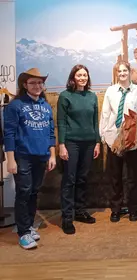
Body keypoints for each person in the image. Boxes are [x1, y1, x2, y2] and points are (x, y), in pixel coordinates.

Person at [4, 68, 56, 249]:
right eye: (33, 83)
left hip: (41, 156)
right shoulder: (15, 105)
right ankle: (23, 232)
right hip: (23, 156)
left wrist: (52, 154)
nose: (37, 86)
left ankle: (28, 225)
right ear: (25, 84)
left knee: (33, 192)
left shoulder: (45, 105)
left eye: (40, 82)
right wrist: (10, 159)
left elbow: (50, 133)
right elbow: (8, 134)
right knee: (24, 191)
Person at [99, 61, 137, 223]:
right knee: (115, 176)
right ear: (116, 73)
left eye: (125, 70)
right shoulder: (111, 91)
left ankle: (133, 209)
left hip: (132, 139)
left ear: (129, 72)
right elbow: (106, 114)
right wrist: (103, 135)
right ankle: (116, 209)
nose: (122, 73)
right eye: (119, 71)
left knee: (133, 177)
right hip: (114, 138)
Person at [57, 64, 100, 235]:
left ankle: (80, 211)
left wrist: (97, 142)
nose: (82, 78)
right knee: (70, 179)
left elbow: (95, 121)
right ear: (73, 78)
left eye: (85, 75)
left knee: (82, 178)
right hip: (71, 143)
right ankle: (67, 218)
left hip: (89, 143)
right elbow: (60, 122)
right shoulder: (65, 96)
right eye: (79, 75)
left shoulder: (92, 96)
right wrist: (61, 145)